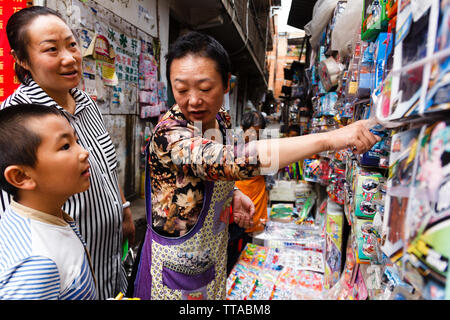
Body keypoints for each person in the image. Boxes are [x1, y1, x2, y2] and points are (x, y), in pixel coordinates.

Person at [133, 31, 379, 300]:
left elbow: (213, 169)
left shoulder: (222, 120)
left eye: (205, 88)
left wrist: (232, 194)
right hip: (172, 273)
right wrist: (331, 139)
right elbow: (236, 160)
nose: (193, 100)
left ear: (228, 83)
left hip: (211, 262)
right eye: (181, 89)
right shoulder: (170, 135)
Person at [1, 6, 134, 299]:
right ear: (22, 60)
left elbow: (107, 165)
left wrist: (124, 210)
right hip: (63, 279)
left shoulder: (85, 102)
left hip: (110, 261)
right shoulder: (13, 125)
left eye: (71, 44)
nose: (69, 58)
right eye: (51, 50)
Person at [0, 104, 97, 300]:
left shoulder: (48, 217)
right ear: (20, 176)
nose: (84, 152)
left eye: (76, 140)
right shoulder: (35, 266)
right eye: (65, 146)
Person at [227, 111, 269, 275]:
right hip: (237, 204)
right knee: (235, 247)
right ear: (243, 129)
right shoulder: (233, 148)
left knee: (251, 253)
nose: (255, 136)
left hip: (256, 200)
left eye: (258, 133)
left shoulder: (262, 147)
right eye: (252, 131)